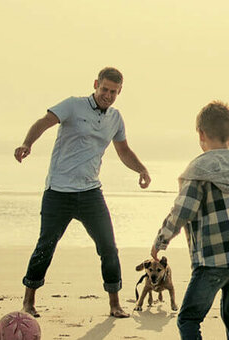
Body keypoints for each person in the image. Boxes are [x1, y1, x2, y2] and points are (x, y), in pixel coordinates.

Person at [13, 67, 152, 318]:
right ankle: (28, 301)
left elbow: (123, 151)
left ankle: (114, 304)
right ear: (96, 84)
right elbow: (43, 123)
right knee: (46, 246)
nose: (107, 95)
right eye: (104, 89)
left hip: (90, 192)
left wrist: (141, 169)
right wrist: (27, 143)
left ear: (119, 92)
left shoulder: (115, 119)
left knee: (108, 247)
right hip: (58, 191)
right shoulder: (73, 105)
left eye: (113, 92)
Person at [151, 101, 229, 340]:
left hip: (213, 259)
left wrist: (161, 240)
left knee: (189, 318)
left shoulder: (198, 170)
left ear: (200, 134)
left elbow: (182, 211)